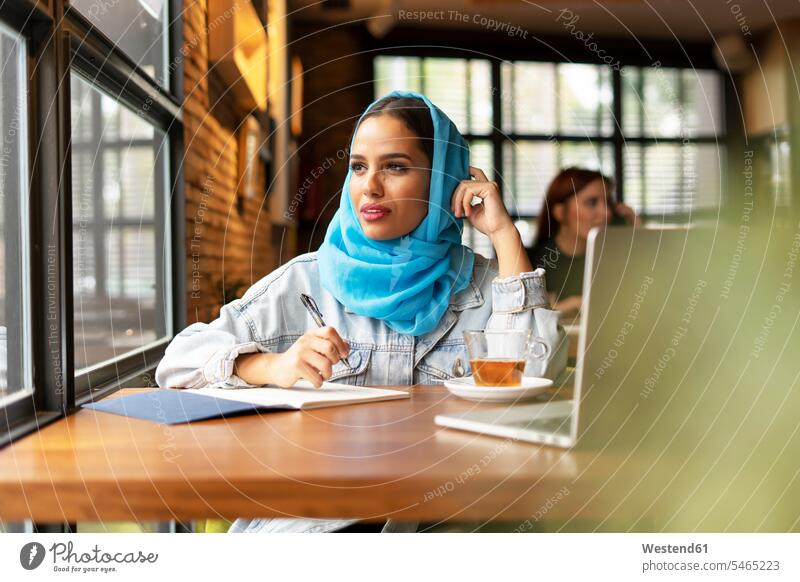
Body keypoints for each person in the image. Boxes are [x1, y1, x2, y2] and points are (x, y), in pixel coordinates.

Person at [155, 91, 567, 533]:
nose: (369, 186)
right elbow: (177, 366)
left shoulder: (490, 286)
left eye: (395, 166)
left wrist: (503, 234)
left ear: (443, 179)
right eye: (358, 167)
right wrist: (273, 366)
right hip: (314, 532)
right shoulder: (306, 282)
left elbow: (537, 372)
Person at [526, 167, 638, 321]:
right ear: (560, 212)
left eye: (608, 203)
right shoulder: (530, 263)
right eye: (592, 203)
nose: (606, 213)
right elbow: (524, 319)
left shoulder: (613, 261)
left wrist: (637, 230)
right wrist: (568, 306)